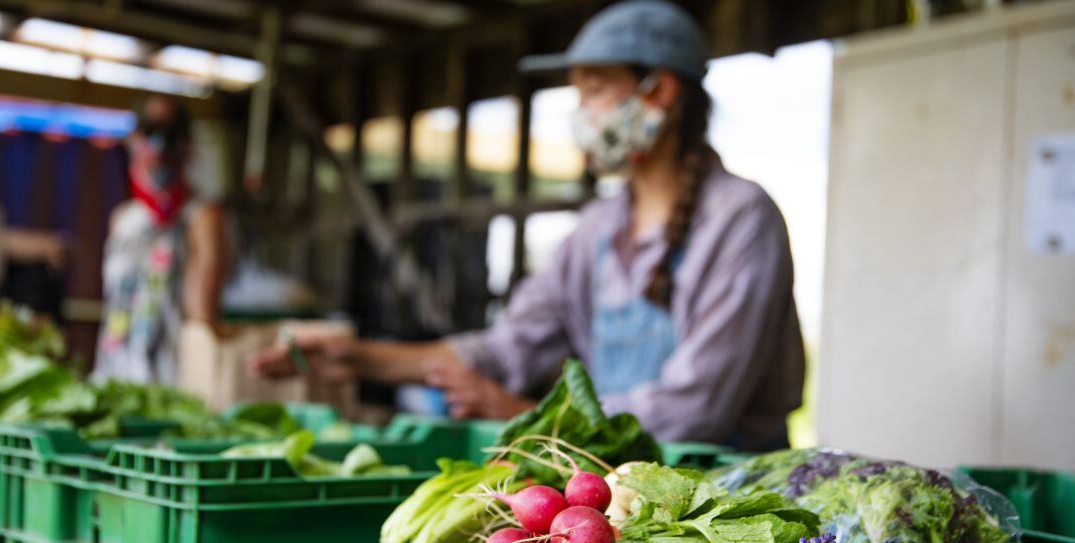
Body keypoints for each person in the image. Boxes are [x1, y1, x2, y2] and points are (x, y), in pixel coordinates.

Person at [250, 0, 804, 450]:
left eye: (593, 89)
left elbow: (695, 407)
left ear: (657, 92)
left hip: (727, 500)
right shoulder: (598, 229)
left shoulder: (740, 218)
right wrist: (357, 356)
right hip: (623, 481)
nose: (579, 111)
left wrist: (525, 416)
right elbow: (506, 348)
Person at [93, 95, 226, 384]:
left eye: (170, 134)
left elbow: (201, 318)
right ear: (133, 140)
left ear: (186, 145)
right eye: (149, 133)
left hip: (169, 383)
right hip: (114, 375)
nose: (158, 148)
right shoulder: (124, 218)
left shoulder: (201, 218)